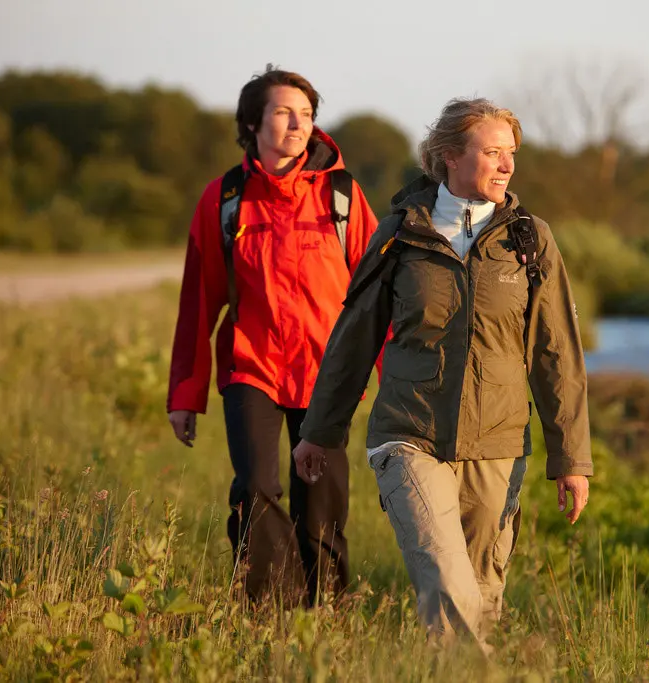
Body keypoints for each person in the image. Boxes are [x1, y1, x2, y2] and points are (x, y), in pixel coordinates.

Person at [293, 97, 593, 646]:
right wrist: (320, 431)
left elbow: (557, 354)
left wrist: (570, 457)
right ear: (449, 157)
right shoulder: (400, 234)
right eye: (492, 152)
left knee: (481, 599)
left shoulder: (530, 240)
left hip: (498, 444)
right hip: (409, 436)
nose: (507, 166)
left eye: (511, 154)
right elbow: (352, 341)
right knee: (448, 588)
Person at [165, 66, 379, 606]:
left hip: (327, 373)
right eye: (284, 112)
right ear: (252, 122)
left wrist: (396, 381)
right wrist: (185, 395)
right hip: (251, 366)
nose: (297, 124)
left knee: (322, 499)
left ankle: (326, 612)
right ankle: (267, 616)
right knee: (256, 488)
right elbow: (198, 304)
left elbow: (380, 294)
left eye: (306, 114)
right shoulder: (224, 199)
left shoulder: (343, 196)